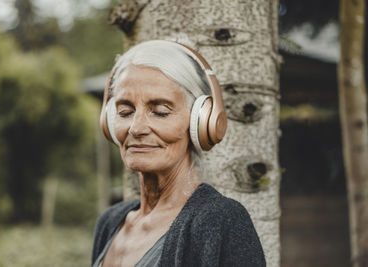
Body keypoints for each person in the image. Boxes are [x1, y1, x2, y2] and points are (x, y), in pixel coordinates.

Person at [92, 40, 266, 267]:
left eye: (160, 112)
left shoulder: (222, 220)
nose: (136, 128)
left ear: (201, 122)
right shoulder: (110, 222)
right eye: (125, 112)